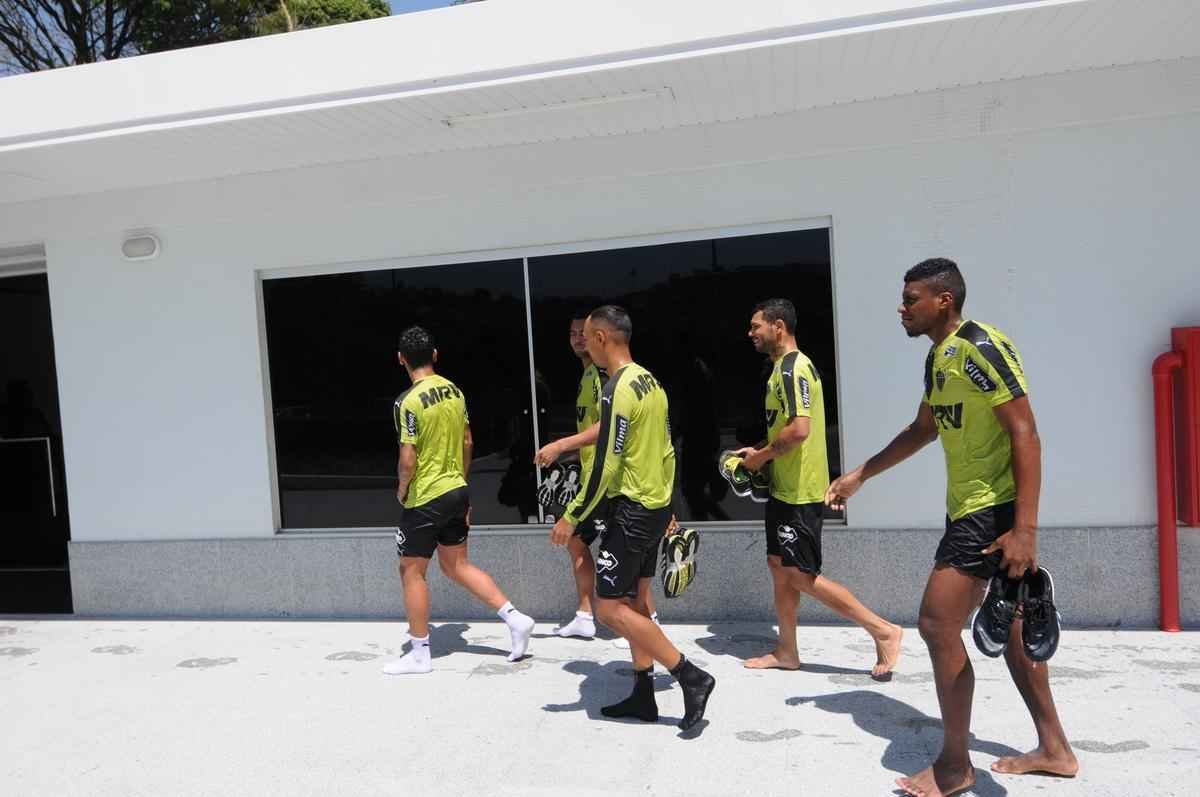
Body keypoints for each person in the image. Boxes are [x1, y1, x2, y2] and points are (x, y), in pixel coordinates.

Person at [826, 259, 1077, 796]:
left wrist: (1025, 529)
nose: (902, 307)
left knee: (938, 624)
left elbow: (1025, 433)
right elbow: (923, 429)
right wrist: (861, 475)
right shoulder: (939, 358)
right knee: (1009, 627)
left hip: (991, 509)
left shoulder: (980, 346)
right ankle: (1055, 749)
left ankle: (955, 765)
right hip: (968, 508)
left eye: (911, 298)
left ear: (944, 300)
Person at [549, 306, 715, 731]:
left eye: (588, 337)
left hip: (633, 511)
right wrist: (668, 505)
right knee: (636, 603)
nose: (586, 344)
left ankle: (689, 676)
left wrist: (572, 515)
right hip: (653, 507)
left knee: (608, 608)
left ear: (603, 338)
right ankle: (644, 696)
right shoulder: (651, 382)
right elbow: (666, 449)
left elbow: (605, 463)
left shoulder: (617, 388)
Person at [736, 299, 902, 677]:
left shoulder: (795, 369)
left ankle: (884, 630)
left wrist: (759, 460)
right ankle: (787, 651)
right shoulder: (781, 369)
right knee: (779, 566)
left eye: (756, 326)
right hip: (784, 489)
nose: (751, 333)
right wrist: (760, 450)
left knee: (800, 574)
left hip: (800, 491)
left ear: (778, 326)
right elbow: (785, 427)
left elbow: (799, 430)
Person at [382, 326, 535, 675]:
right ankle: (515, 619)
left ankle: (420, 653)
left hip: (426, 496)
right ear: (434, 355)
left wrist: (403, 488)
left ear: (401, 359)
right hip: (456, 489)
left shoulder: (407, 401)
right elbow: (468, 442)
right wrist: (461, 487)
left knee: (411, 570)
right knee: (456, 565)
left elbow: (408, 457)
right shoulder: (454, 391)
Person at [536, 313, 661, 642]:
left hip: (611, 484)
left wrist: (562, 445)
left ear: (601, 338)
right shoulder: (594, 376)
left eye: (585, 334)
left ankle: (633, 625)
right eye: (574, 333)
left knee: (600, 548)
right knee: (585, 545)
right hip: (604, 479)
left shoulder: (608, 380)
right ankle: (590, 615)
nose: (579, 339)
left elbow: (608, 429)